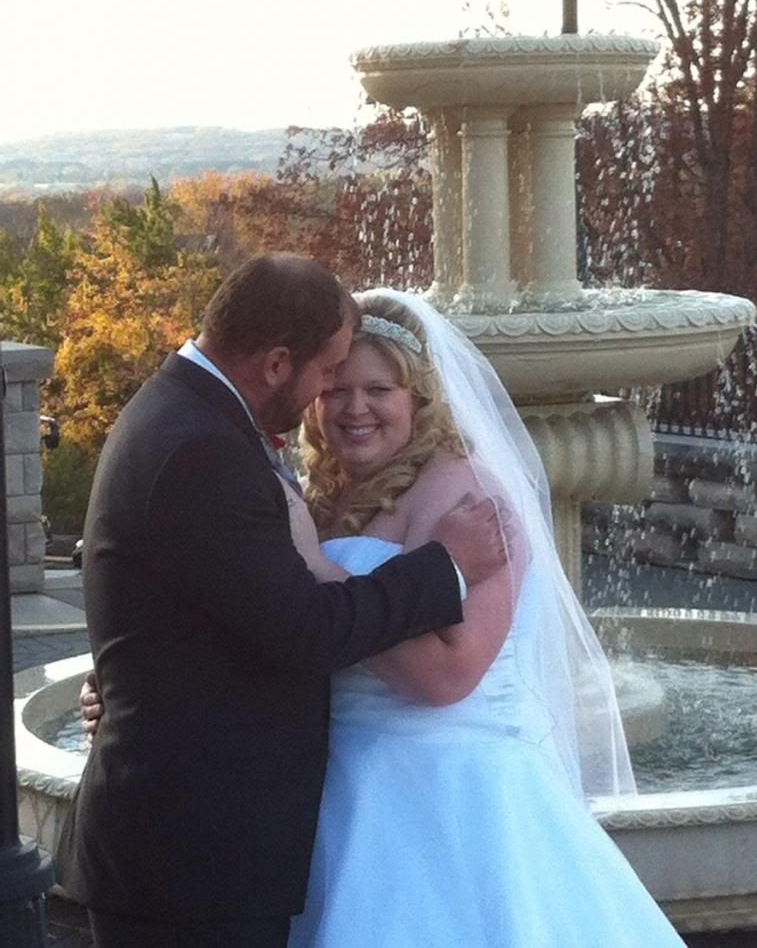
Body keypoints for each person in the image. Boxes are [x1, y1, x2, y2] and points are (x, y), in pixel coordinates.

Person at [55, 255, 510, 948]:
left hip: (241, 841)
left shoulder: (188, 418)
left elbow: (204, 602)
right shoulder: (204, 448)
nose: (337, 398)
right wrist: (443, 566)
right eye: (329, 376)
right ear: (275, 364)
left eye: (375, 387)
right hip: (193, 858)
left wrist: (130, 677)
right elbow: (305, 630)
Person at [281, 289, 686, 946]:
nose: (355, 409)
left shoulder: (466, 494)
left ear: (419, 396)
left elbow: (451, 676)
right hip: (337, 790)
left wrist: (318, 577)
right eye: (336, 390)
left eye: (379, 390)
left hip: (445, 795)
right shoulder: (322, 497)